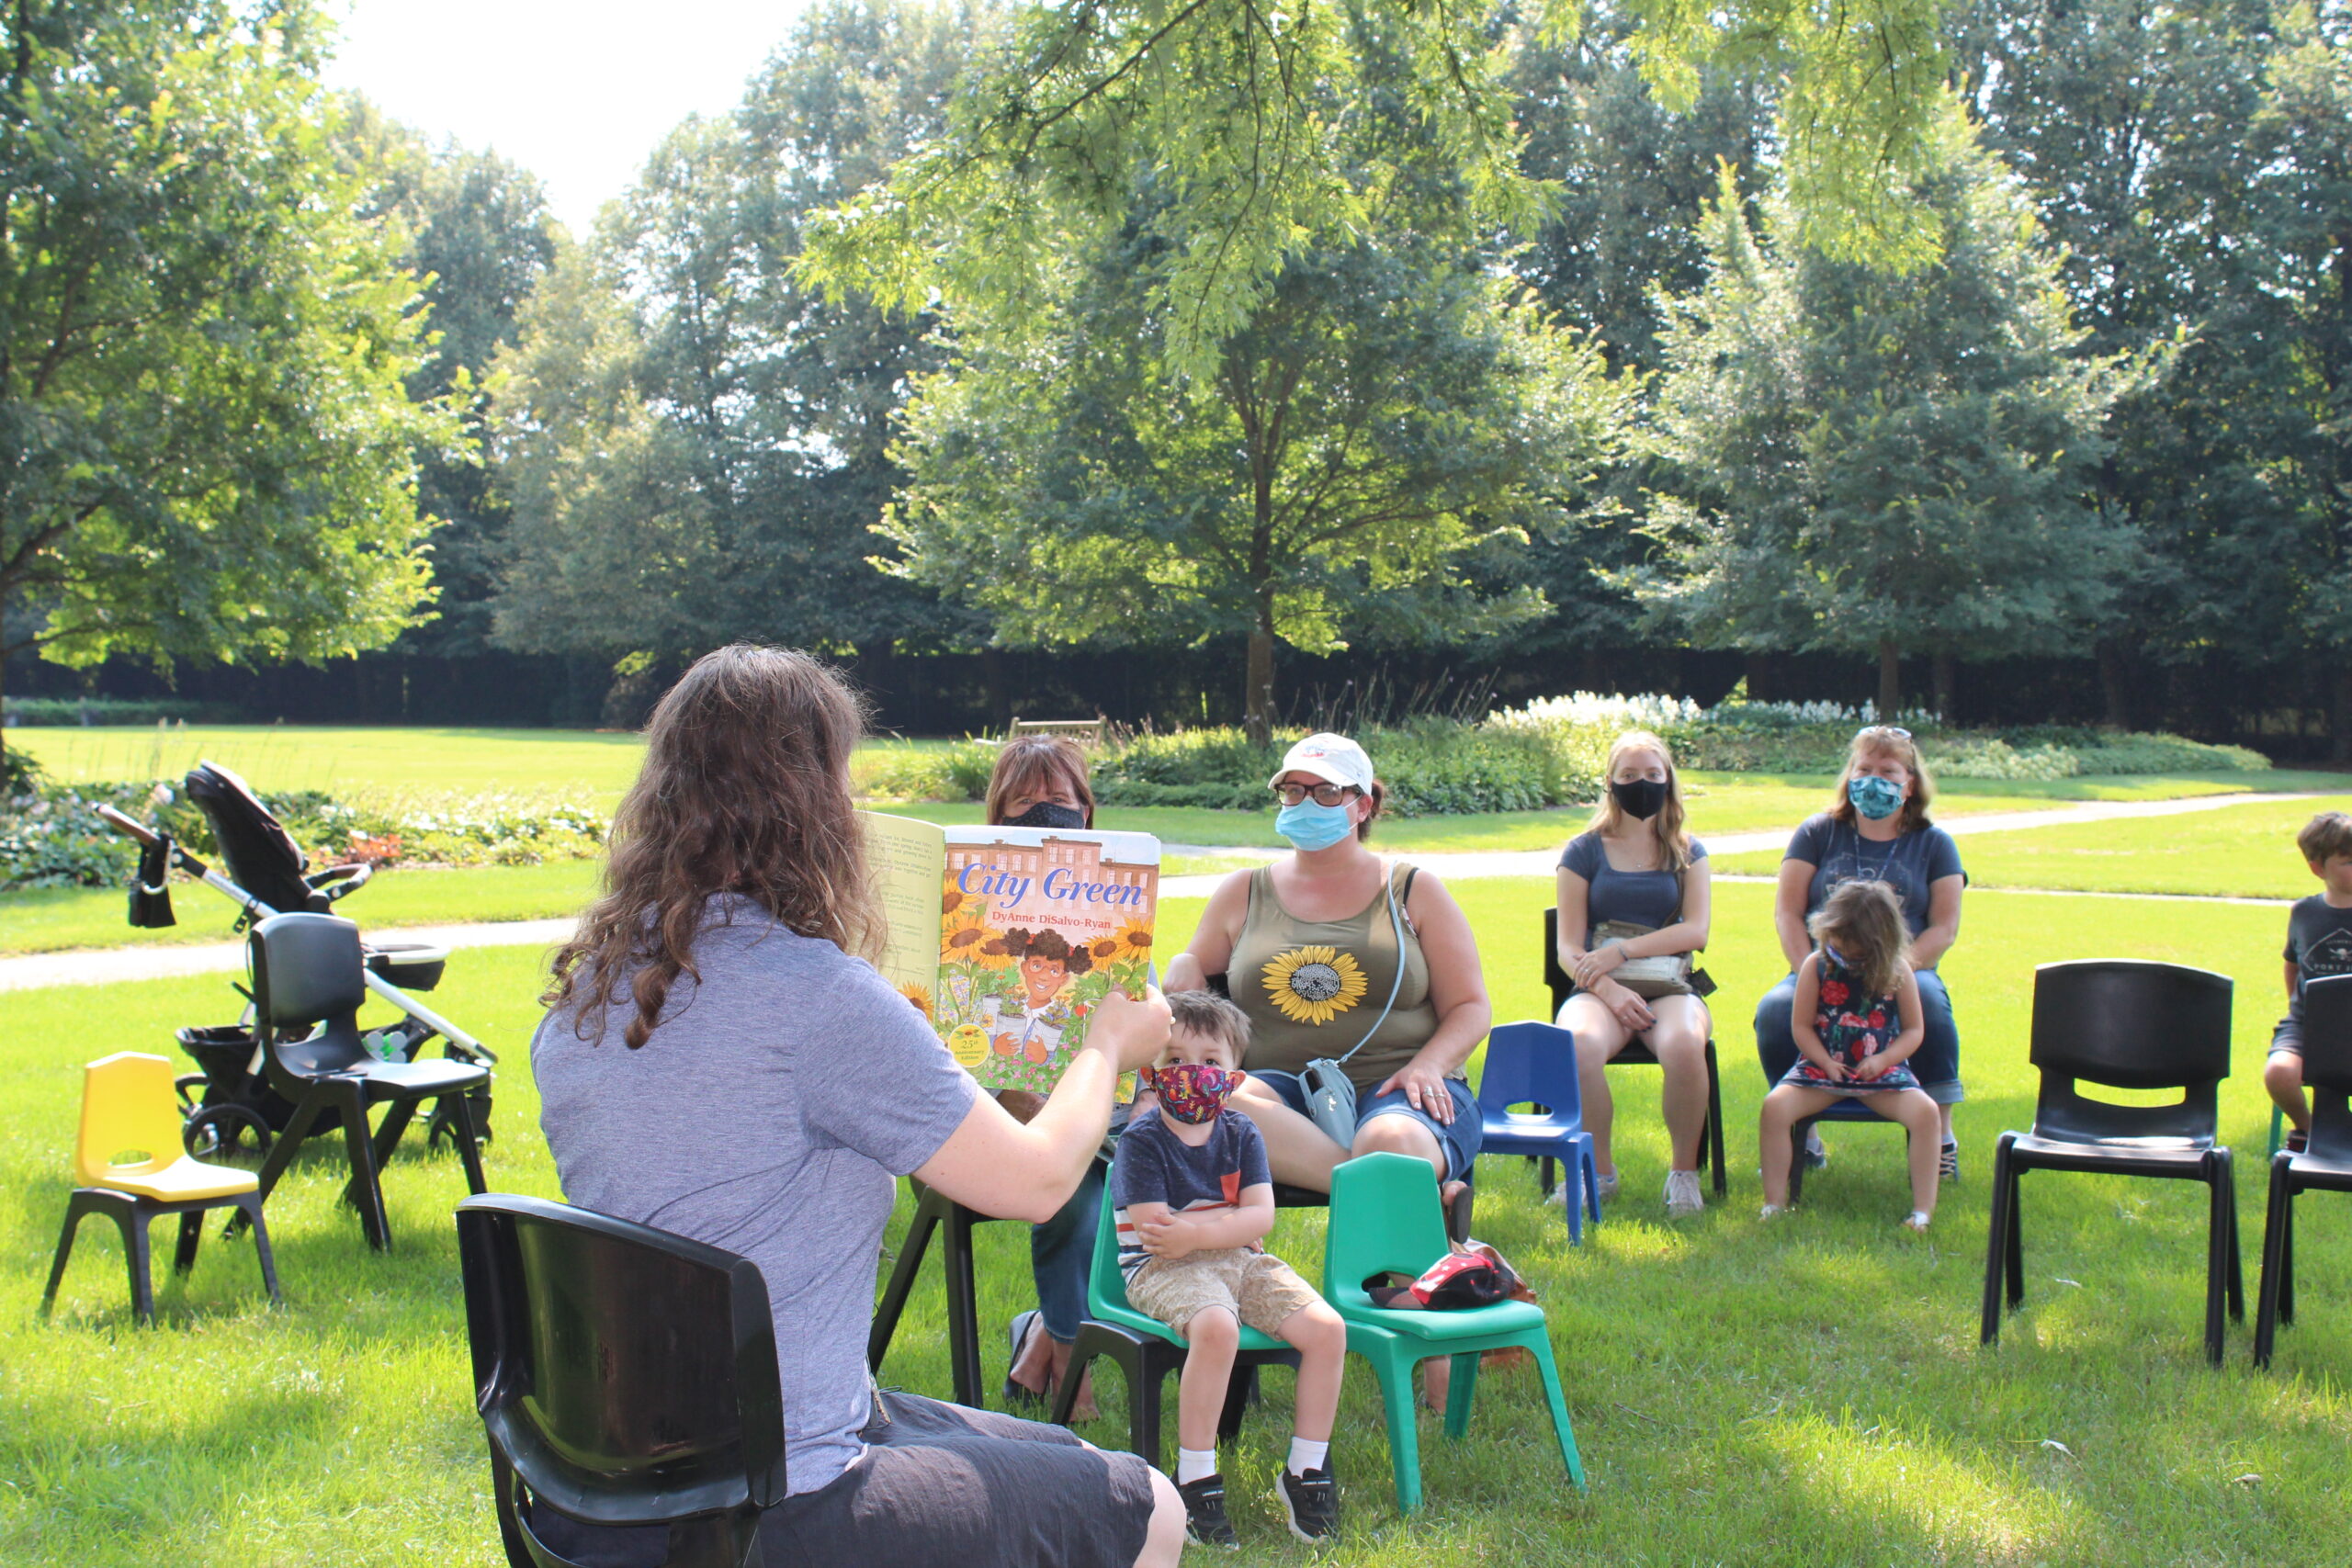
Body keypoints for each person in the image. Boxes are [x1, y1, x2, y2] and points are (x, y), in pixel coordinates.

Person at [531, 647, 1184, 1568]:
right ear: (814, 805)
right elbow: (1037, 1183)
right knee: (1148, 1505)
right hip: (779, 1493)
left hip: (611, 1479)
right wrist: (1108, 1046)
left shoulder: (584, 996)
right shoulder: (818, 997)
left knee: (1072, 1459)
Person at [1166, 731, 1489, 1199]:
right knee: (1219, 1103)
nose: (1306, 803)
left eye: (1327, 792)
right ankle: (1394, 1194)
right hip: (1279, 1091)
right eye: (1294, 790)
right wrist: (1184, 961)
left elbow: (1471, 1005)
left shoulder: (1412, 889)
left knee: (1390, 1142)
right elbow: (1197, 971)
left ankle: (1388, 1193)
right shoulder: (1243, 892)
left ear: (1362, 806)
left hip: (1402, 1085)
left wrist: (1429, 1066)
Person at [1111, 990, 1347, 1546]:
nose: (1192, 1072)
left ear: (1236, 1077)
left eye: (1210, 1062)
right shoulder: (1142, 1140)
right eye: (1175, 1060)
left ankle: (1306, 1468)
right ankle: (1194, 1475)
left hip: (1242, 1261)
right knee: (1216, 1326)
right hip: (1160, 1269)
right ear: (1151, 1073)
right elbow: (1157, 1235)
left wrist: (1203, 1230)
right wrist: (1216, 1228)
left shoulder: (1242, 1133)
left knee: (1327, 1330)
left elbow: (1261, 1215)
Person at [1755, 726, 1966, 1178]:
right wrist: (1809, 971)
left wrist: (1893, 973)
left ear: (1909, 782)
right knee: (1777, 1009)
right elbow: (1788, 913)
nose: (1873, 779)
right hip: (1822, 967)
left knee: (1929, 1003)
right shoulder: (1817, 832)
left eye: (1887, 770)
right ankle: (1802, 1133)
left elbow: (1944, 927)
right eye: (1863, 768)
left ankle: (1941, 1137)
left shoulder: (1934, 843)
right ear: (1849, 775)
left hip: (1902, 971)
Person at [984, 735, 1116, 1417]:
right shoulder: (969, 904)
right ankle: (1071, 1363)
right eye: (1025, 803)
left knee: (1092, 1169)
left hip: (1096, 1108)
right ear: (996, 818)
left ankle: (1045, 1337)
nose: (1043, 814)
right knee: (1065, 1179)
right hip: (987, 1114)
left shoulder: (1115, 902)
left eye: (1060, 803)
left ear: (1087, 813)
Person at [1553, 729, 1713, 1216]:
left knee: (1685, 1043)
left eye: (1651, 775)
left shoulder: (1687, 850)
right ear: (1610, 783)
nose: (1640, 784)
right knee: (1577, 1043)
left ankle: (1683, 1175)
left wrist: (1622, 952)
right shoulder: (1583, 851)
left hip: (1669, 985)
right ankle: (1599, 1173)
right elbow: (1567, 946)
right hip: (1597, 988)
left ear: (1668, 781)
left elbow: (1696, 931)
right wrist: (1607, 988)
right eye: (1628, 776)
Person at [1758, 881, 1942, 1231]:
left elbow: (1914, 1031)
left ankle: (1922, 1212)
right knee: (1775, 1107)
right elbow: (1801, 1027)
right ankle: (1774, 1203)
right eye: (1840, 949)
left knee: (1926, 1113)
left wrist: (1883, 1060)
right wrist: (1825, 1062)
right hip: (1821, 1069)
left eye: (1858, 956)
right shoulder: (1817, 965)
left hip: (1882, 1073)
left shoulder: (1899, 971)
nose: (1848, 960)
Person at [2265, 811, 2352, 1152]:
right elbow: (2293, 964)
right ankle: (2311, 1129)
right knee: (2279, 1074)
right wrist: (2296, 1008)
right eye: (2348, 862)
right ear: (2318, 868)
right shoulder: (2304, 913)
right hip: (2308, 1023)